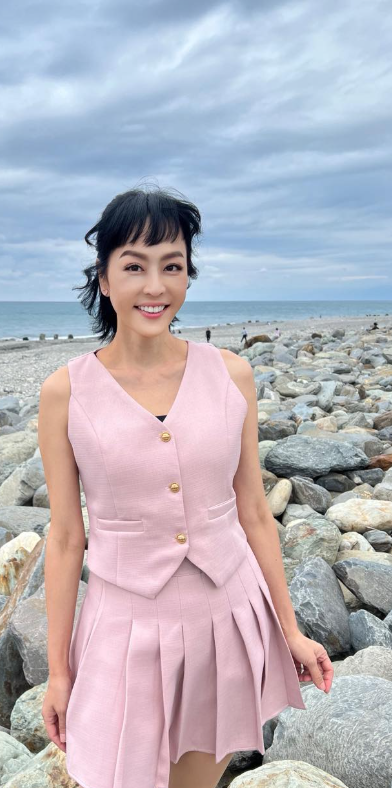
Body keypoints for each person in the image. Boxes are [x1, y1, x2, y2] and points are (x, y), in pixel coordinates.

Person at [38, 186, 333, 788]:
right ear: (103, 279)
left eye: (172, 266)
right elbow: (67, 537)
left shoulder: (231, 375)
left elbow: (255, 511)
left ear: (188, 276)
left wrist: (291, 630)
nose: (155, 286)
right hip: (124, 627)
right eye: (134, 266)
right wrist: (59, 672)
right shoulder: (65, 393)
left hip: (225, 615)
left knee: (199, 777)